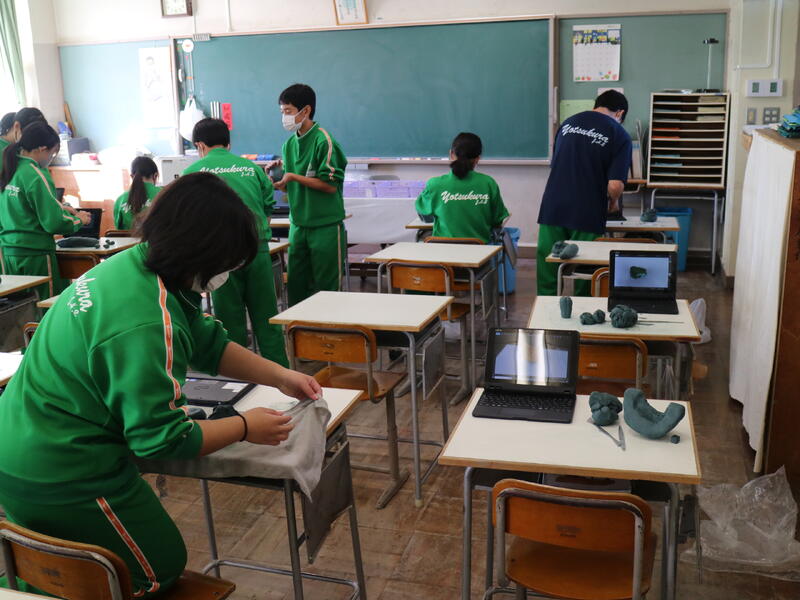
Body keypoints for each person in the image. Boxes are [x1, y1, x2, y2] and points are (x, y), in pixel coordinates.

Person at [0, 172, 322, 598]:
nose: (226, 274)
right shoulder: (145, 321)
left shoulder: (139, 265)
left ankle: (34, 578)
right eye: (226, 264)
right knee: (157, 568)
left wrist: (280, 376)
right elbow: (163, 441)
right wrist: (246, 427)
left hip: (18, 443)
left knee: (58, 556)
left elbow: (206, 342)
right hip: (62, 469)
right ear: (200, 254)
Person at [183, 118, 288, 366]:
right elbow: (268, 208)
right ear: (228, 143)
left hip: (219, 256)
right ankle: (281, 377)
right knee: (267, 318)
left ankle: (240, 378)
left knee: (230, 322)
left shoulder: (192, 173)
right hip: (256, 250)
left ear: (199, 145)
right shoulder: (252, 169)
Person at [536, 90, 632, 296]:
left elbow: (558, 164)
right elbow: (615, 185)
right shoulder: (619, 133)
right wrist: (614, 203)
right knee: (585, 270)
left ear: (597, 105)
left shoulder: (567, 124)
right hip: (587, 209)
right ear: (620, 113)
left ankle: (545, 309)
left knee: (549, 265)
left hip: (553, 205)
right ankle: (582, 310)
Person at [272, 83, 347, 306]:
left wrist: (293, 177)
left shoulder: (324, 141)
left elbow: (330, 185)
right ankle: (298, 327)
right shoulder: (288, 145)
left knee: (326, 288)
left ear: (306, 110)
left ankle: (328, 326)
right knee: (296, 284)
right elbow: (289, 187)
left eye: (288, 111)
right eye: (282, 112)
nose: (285, 117)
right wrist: (279, 181)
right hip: (298, 225)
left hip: (325, 225)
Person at [0, 121, 90, 297]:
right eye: (52, 153)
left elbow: (21, 207)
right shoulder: (35, 174)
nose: (51, 158)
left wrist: (60, 207)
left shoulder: (8, 168)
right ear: (42, 149)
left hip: (8, 253)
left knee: (21, 308)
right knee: (46, 306)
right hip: (36, 255)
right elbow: (54, 223)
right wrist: (79, 219)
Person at [415, 132, 509, 244]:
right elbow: (497, 220)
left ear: (451, 154)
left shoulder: (434, 184)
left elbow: (424, 215)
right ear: (477, 159)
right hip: (479, 251)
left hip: (442, 250)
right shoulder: (488, 183)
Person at [113, 156, 161, 230]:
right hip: (157, 237)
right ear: (155, 175)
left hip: (128, 238)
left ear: (132, 176)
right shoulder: (165, 194)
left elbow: (118, 231)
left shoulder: (120, 200)